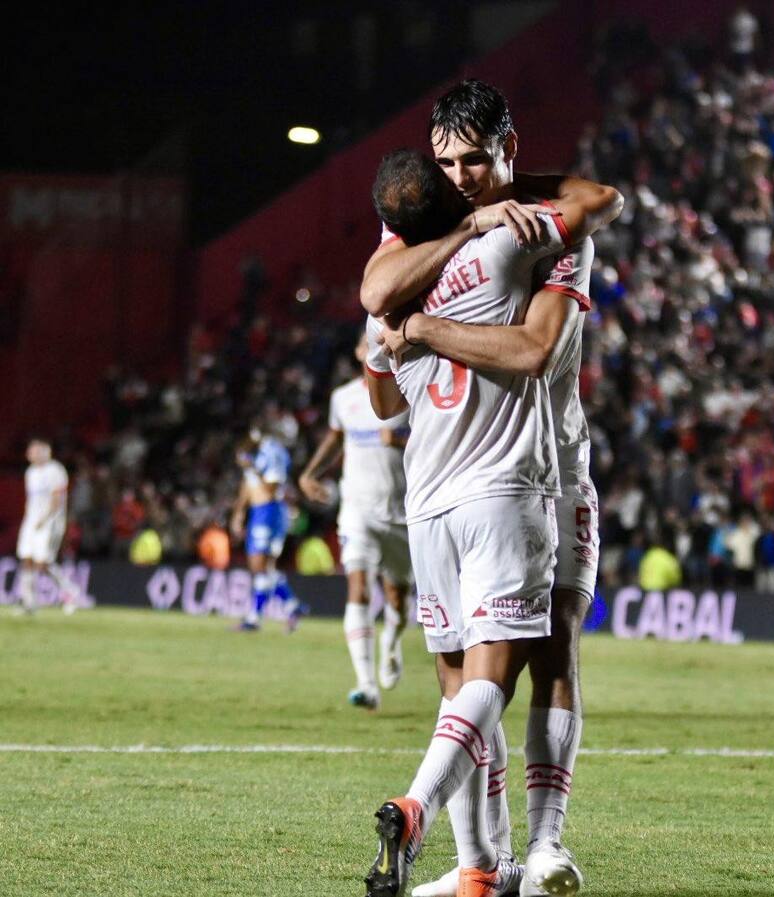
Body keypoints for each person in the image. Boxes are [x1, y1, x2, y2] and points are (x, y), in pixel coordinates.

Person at [365, 80, 619, 897]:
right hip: (459, 479)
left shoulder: (548, 224)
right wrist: (471, 220)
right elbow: (375, 299)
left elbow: (536, 343)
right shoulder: (431, 223)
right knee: (469, 679)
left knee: (550, 651)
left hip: (549, 467)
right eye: (448, 161)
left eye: (477, 158)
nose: (463, 175)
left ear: (510, 146)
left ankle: (542, 846)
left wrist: (413, 332)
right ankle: (484, 866)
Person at [298, 335, 413, 709]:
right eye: (367, 343)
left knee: (397, 594)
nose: (374, 347)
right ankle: (366, 684)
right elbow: (335, 438)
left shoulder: (409, 390)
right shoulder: (343, 398)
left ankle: (391, 642)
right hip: (357, 508)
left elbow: (437, 440)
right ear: (359, 352)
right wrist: (309, 473)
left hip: (401, 511)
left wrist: (399, 441)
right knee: (358, 586)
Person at [230, 430, 301, 631]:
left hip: (269, 512)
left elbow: (271, 489)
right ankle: (292, 606)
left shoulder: (272, 454)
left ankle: (255, 618)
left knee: (259, 565)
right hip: (259, 513)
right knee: (263, 568)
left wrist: (252, 468)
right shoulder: (254, 458)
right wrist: (239, 513)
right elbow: (247, 487)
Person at [15, 438, 80, 614]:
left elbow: (57, 499)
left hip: (49, 522)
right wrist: (30, 519)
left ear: (46, 451)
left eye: (35, 450)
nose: (31, 454)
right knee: (26, 560)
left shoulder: (55, 470)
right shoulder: (30, 472)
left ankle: (71, 592)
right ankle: (29, 604)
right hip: (31, 522)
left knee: (43, 563)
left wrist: (44, 519)